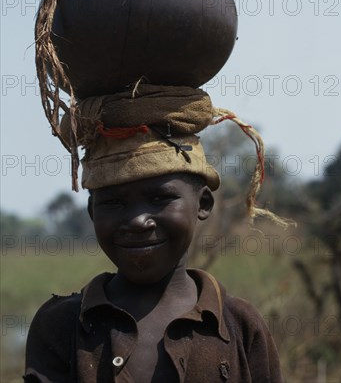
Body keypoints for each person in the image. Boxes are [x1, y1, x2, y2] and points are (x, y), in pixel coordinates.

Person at [25, 86, 284, 382]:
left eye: (160, 198)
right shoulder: (62, 326)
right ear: (92, 212)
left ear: (203, 203)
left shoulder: (240, 327)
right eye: (114, 202)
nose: (137, 221)